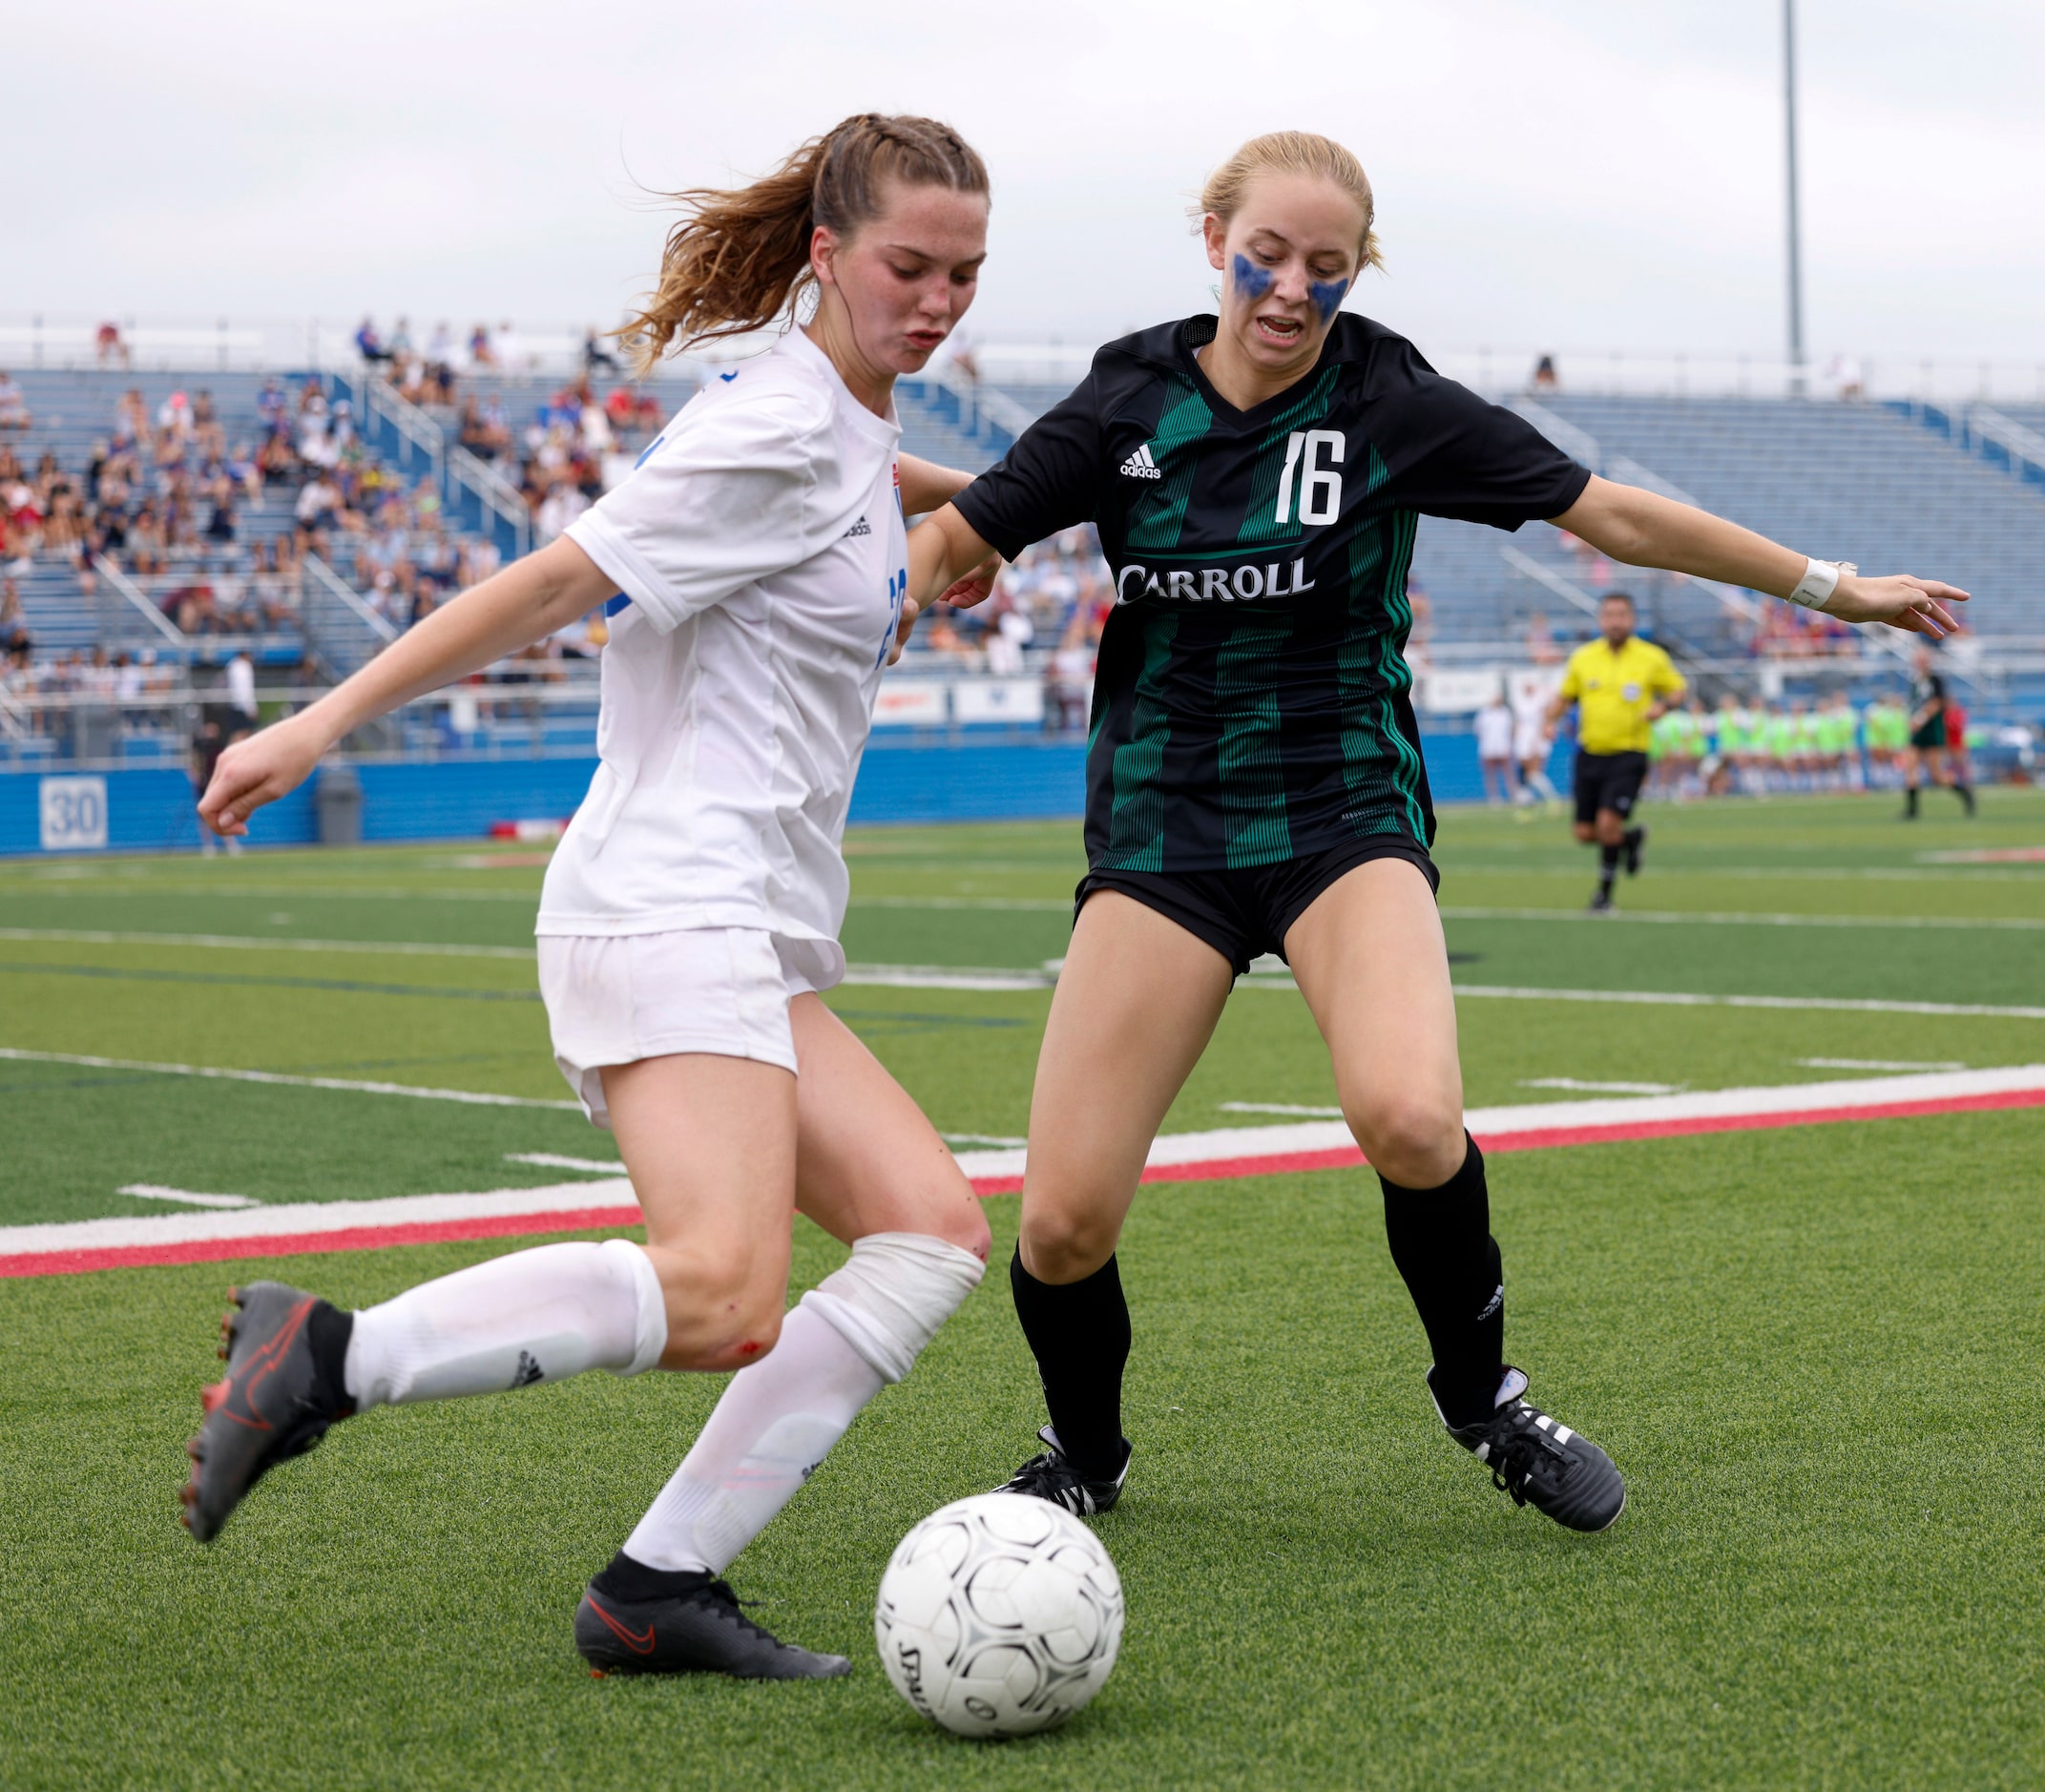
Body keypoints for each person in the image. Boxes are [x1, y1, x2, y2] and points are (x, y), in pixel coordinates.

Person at [899, 130, 1966, 1537]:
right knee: (1059, 1223)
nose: (1289, 291)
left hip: (1342, 813)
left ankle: (1482, 1399)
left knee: (1407, 1115)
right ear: (1209, 233)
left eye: (1324, 271)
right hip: (1164, 829)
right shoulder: (1126, 397)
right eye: (1264, 255)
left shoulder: (1387, 397)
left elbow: (1616, 516)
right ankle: (1084, 1452)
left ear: (1354, 278)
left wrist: (1833, 588)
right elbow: (955, 535)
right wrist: (926, 570)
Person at [180, 113, 1000, 1681]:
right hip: (668, 901)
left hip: (743, 920)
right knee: (722, 1289)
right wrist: (318, 719)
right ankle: (332, 1355)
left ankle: (657, 1582)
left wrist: (1026, 501)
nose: (939, 296)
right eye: (908, 264)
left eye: (963, 270)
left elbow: (870, 469)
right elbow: (561, 579)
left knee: (925, 1228)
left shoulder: (833, 416)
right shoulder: (766, 425)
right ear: (825, 253)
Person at [1546, 593, 1684, 910]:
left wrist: (1662, 707)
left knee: (1607, 825)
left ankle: (1603, 896)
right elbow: (1565, 696)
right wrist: (1549, 721)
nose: (1615, 621)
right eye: (1609, 615)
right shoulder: (1583, 657)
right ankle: (1631, 839)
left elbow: (1677, 690)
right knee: (1584, 833)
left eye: (1622, 614)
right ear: (1600, 619)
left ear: (1632, 619)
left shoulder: (1651, 657)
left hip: (1629, 753)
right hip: (1590, 753)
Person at [1900, 644, 1974, 818]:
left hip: (1931, 731)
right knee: (1910, 768)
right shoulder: (1916, 681)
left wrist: (1920, 719)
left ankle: (1965, 793)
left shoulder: (1935, 680)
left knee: (1936, 776)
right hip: (1917, 732)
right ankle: (1912, 810)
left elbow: (1936, 703)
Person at [1474, 685, 1514, 804]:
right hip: (1488, 746)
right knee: (1490, 773)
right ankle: (1494, 796)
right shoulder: (1484, 713)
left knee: (1508, 771)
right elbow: (1478, 730)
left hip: (1503, 745)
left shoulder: (1505, 713)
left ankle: (1512, 794)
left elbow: (1511, 729)